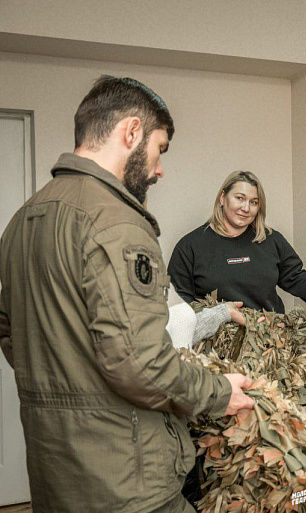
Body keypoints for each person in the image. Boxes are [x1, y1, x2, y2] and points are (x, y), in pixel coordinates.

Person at [0, 76, 254, 512]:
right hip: (125, 477)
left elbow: (13, 334)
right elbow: (140, 363)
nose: (159, 169)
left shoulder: (24, 219)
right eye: (159, 149)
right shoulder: (116, 222)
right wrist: (217, 392)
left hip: (56, 469)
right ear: (131, 132)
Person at [168, 170, 306, 313]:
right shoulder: (190, 246)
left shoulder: (271, 240)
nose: (246, 208)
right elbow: (179, 304)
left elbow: (298, 279)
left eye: (253, 202)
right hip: (217, 344)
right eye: (239, 198)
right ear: (222, 198)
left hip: (269, 341)